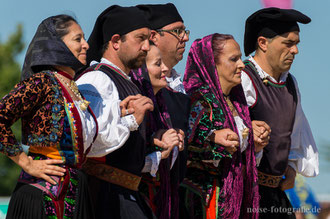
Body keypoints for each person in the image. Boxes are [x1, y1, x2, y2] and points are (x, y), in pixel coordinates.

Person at [0, 15, 98, 219]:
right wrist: (26, 163)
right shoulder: (42, 82)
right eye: (78, 39)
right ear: (57, 45)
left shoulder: (73, 87)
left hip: (73, 191)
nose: (86, 45)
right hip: (43, 194)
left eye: (84, 38)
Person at [75, 5, 165, 219]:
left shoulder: (127, 82)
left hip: (125, 197)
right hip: (104, 200)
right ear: (116, 42)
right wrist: (131, 121)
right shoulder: (96, 79)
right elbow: (89, 143)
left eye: (149, 39)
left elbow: (123, 156)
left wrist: (156, 149)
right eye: (140, 38)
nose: (146, 46)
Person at [241, 7, 319, 219]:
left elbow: (295, 132)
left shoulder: (290, 83)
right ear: (263, 43)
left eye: (296, 44)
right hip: (245, 194)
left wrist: (292, 167)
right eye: (288, 43)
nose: (295, 51)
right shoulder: (243, 78)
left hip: (275, 194)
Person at [182, 34, 262, 218]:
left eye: (240, 58)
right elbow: (187, 146)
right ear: (212, 64)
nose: (242, 65)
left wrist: (256, 144)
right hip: (204, 199)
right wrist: (212, 140)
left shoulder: (238, 103)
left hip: (235, 197)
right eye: (234, 59)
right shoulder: (200, 101)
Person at [131, 43, 185, 219]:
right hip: (136, 199)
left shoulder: (162, 105)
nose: (165, 68)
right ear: (141, 70)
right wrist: (161, 149)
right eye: (157, 63)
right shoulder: (134, 105)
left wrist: (175, 141)